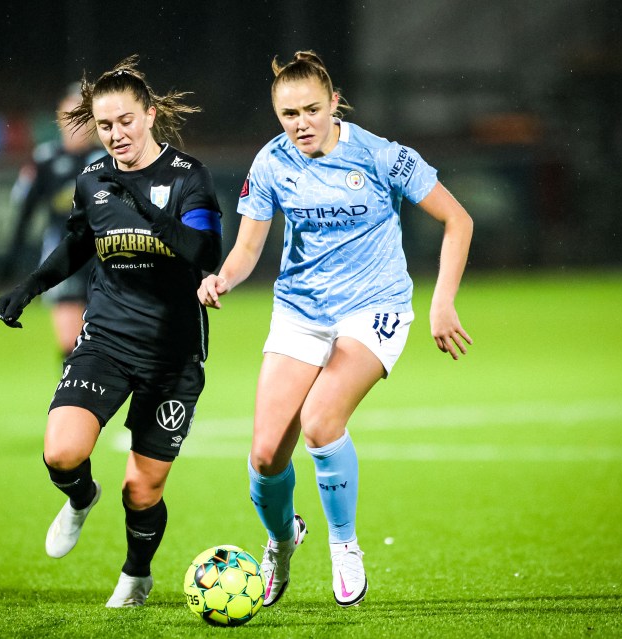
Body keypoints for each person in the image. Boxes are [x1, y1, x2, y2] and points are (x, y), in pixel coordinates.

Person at [197, 51, 473, 607]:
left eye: (311, 110)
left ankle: (344, 546)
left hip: (374, 306)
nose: (300, 124)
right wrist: (223, 277)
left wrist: (443, 302)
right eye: (288, 114)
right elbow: (249, 246)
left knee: (321, 423)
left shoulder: (381, 156)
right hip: (301, 311)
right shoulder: (272, 162)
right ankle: (281, 542)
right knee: (266, 454)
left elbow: (457, 219)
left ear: (335, 103)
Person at [0, 55, 222, 608]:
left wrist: (146, 206)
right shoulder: (92, 180)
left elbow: (205, 251)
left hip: (172, 357)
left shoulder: (188, 176)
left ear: (148, 115)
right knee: (61, 453)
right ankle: (79, 499)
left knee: (141, 489)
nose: (115, 134)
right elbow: (78, 244)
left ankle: (136, 575)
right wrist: (28, 287)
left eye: (125, 120)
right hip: (107, 342)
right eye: (104, 125)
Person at [1, 83, 107, 358]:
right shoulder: (45, 159)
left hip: (104, 257)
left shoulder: (108, 159)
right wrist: (13, 253)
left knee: (105, 342)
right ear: (59, 119)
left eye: (83, 117)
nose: (77, 125)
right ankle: (73, 398)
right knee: (70, 345)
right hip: (63, 257)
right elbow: (25, 210)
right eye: (70, 116)